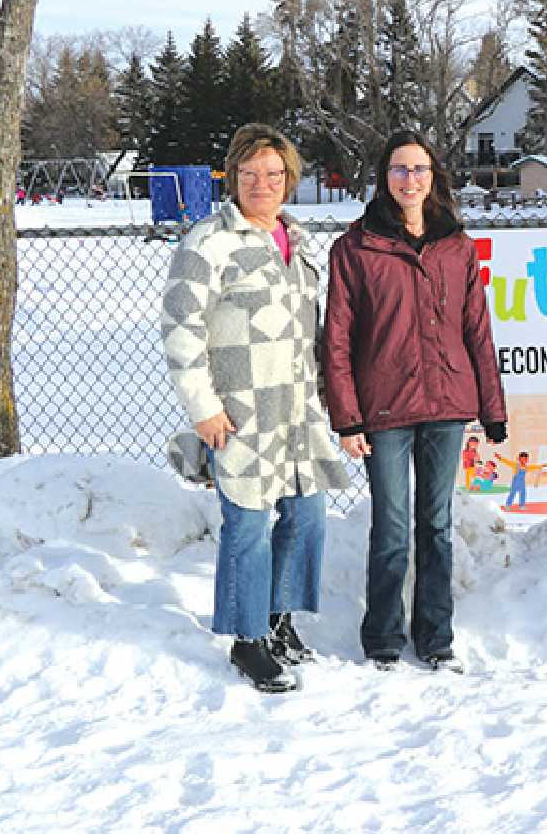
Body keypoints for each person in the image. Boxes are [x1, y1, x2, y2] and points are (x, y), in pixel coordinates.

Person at [161, 123, 350, 694]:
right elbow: (180, 329)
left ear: (289, 178)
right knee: (247, 526)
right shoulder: (207, 242)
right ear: (233, 177)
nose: (261, 184)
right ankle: (247, 641)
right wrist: (203, 408)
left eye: (273, 174)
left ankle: (279, 622)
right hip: (239, 414)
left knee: (305, 519)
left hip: (296, 410)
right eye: (249, 174)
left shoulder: (300, 239)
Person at [322, 129, 508, 672]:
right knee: (393, 526)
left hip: (448, 404)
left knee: (437, 523)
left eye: (419, 169)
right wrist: (347, 417)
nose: (410, 179)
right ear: (384, 178)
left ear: (434, 176)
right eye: (399, 169)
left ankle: (435, 637)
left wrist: (491, 407)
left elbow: (477, 328)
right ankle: (382, 638)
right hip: (384, 408)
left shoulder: (457, 244)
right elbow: (337, 337)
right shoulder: (356, 247)